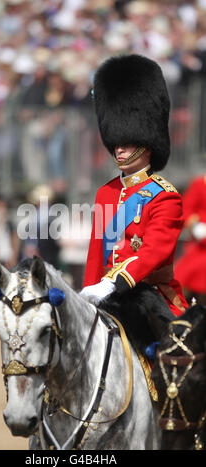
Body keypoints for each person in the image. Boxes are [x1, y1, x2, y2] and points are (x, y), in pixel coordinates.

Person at [81, 54, 188, 317]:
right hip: (107, 296)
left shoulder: (165, 196)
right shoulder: (106, 193)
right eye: (116, 142)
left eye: (127, 142)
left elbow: (154, 250)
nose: (119, 148)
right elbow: (97, 254)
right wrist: (89, 293)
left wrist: (115, 282)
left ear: (147, 145)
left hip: (149, 296)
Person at [174, 175, 206, 305]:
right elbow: (186, 209)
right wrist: (195, 226)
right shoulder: (200, 184)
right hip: (200, 246)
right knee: (182, 276)